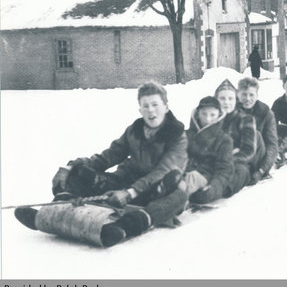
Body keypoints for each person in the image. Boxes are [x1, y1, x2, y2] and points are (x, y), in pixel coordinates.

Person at [15, 81, 189, 247]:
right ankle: (52, 213)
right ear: (140, 110)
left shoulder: (177, 135)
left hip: (155, 190)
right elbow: (109, 156)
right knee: (80, 172)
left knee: (179, 194)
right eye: (145, 106)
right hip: (126, 182)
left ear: (166, 107)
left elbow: (163, 171)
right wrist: (71, 167)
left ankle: (123, 228)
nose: (151, 110)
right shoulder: (134, 131)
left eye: (155, 104)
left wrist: (130, 193)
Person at [181, 96, 234, 204]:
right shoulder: (185, 135)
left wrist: (213, 189)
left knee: (191, 178)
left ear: (219, 115)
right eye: (203, 114)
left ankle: (176, 202)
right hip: (181, 172)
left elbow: (224, 170)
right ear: (197, 114)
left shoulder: (224, 140)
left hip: (204, 176)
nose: (207, 119)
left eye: (212, 115)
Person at [214, 79, 264, 194]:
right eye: (222, 98)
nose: (226, 102)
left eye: (230, 98)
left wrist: (227, 159)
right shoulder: (212, 118)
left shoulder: (245, 119)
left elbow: (248, 150)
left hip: (238, 162)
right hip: (214, 161)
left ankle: (218, 190)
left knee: (240, 172)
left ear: (235, 100)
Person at [237, 77, 278, 182]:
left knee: (256, 134)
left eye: (251, 95)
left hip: (256, 156)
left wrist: (262, 170)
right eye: (244, 94)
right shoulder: (232, 109)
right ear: (238, 94)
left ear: (257, 95)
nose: (247, 98)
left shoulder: (265, 113)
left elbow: (272, 144)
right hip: (237, 155)